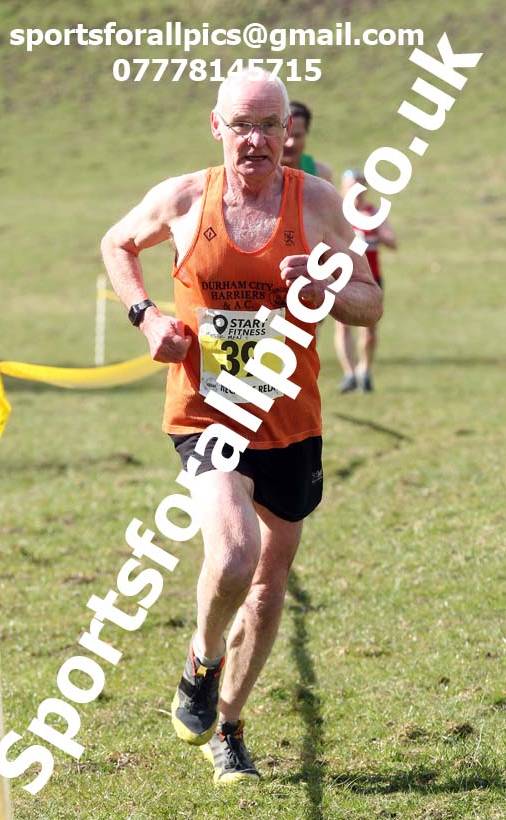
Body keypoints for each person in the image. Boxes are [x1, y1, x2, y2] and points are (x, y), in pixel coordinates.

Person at [100, 71, 382, 785]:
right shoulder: (182, 199)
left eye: (269, 125)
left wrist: (327, 290)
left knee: (266, 584)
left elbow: (370, 302)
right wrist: (147, 317)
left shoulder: (317, 203)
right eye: (241, 124)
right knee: (232, 556)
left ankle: (228, 727)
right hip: (208, 412)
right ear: (216, 126)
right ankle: (202, 659)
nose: (255, 139)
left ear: (288, 131)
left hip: (289, 419)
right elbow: (117, 243)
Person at [335, 169, 397, 392]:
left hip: (372, 278)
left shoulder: (373, 214)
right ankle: (349, 374)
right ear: (343, 188)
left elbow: (393, 242)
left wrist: (375, 232)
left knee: (369, 330)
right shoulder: (336, 214)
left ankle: (365, 370)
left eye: (361, 187)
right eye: (353, 186)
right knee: (342, 326)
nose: (357, 191)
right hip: (343, 277)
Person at [281, 100, 333, 182]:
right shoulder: (262, 172)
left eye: (297, 136)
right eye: (286, 136)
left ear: (306, 134)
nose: (291, 143)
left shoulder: (321, 174)